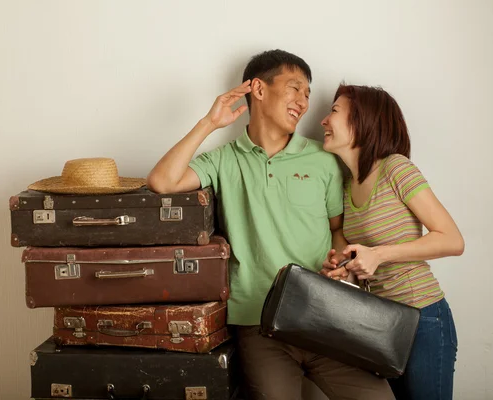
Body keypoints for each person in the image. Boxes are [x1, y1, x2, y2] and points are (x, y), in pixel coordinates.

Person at [147, 50, 394, 400]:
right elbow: (162, 181)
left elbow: (337, 228)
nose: (304, 102)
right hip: (258, 324)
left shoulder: (323, 160)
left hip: (325, 316)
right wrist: (208, 123)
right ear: (259, 90)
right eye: (295, 88)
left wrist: (340, 262)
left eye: (308, 94)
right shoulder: (223, 160)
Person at [320, 83, 465, 400]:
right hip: (382, 325)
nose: (323, 121)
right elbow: (365, 259)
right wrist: (347, 268)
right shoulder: (346, 186)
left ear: (362, 120)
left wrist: (379, 254)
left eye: (333, 112)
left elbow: (453, 240)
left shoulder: (396, 168)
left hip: (423, 318)